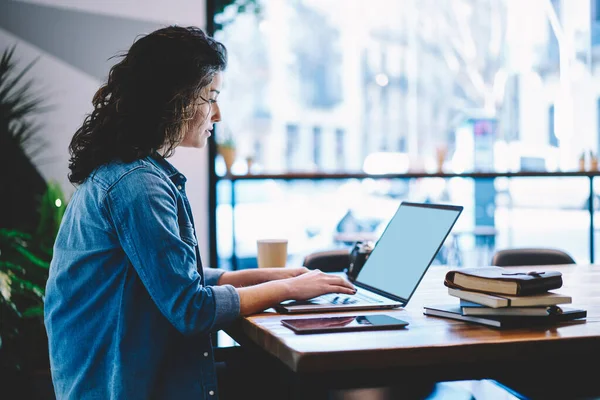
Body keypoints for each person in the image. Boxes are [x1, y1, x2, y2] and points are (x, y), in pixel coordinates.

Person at [44, 25, 356, 400]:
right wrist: (288, 289)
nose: (218, 114)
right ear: (173, 99)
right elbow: (190, 308)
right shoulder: (137, 185)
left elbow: (167, 277)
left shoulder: (129, 171)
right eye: (211, 97)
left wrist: (268, 276)